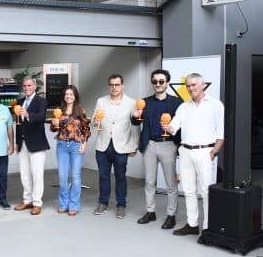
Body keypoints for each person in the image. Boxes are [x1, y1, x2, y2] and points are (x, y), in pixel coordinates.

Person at [168, 72, 224, 236]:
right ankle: (192, 225)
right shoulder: (183, 107)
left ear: (203, 85)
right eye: (188, 86)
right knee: (189, 190)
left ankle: (207, 228)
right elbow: (173, 127)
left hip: (205, 152)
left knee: (206, 192)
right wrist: (168, 127)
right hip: (185, 152)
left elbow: (221, 134)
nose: (190, 88)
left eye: (193, 85)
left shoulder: (216, 105)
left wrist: (214, 152)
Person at [132, 70, 182, 230]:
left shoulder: (177, 102)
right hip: (150, 145)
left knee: (171, 183)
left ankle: (171, 215)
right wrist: (135, 116)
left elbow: (182, 126)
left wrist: (178, 145)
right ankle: (150, 211)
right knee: (149, 181)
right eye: (155, 81)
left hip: (168, 144)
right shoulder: (145, 102)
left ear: (167, 83)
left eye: (161, 81)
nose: (158, 84)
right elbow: (135, 122)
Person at [92, 74, 139, 219]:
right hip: (103, 145)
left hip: (122, 146)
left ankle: (121, 205)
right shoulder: (101, 101)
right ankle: (103, 203)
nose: (114, 87)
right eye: (111, 85)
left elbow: (135, 126)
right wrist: (95, 122)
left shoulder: (131, 103)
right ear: (109, 86)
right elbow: (95, 119)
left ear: (122, 86)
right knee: (103, 177)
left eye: (117, 84)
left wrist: (134, 146)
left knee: (121, 177)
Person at [50, 85, 90, 216]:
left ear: (75, 96)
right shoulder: (59, 111)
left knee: (75, 176)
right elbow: (53, 129)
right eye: (67, 94)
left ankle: (73, 205)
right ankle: (63, 204)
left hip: (76, 145)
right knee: (62, 177)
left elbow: (86, 130)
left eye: (71, 94)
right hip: (62, 145)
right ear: (64, 96)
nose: (69, 96)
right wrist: (54, 124)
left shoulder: (81, 111)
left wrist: (84, 144)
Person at [15, 77, 50, 215]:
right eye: (24, 86)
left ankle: (37, 203)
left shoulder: (41, 101)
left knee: (37, 175)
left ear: (35, 86)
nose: (27, 88)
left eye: (29, 85)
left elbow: (41, 117)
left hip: (37, 144)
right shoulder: (19, 102)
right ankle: (27, 200)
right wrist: (17, 142)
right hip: (23, 144)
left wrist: (27, 113)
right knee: (24, 175)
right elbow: (18, 124)